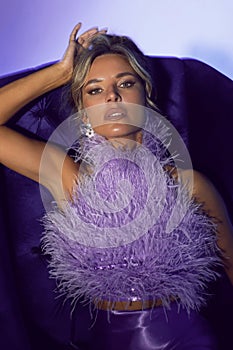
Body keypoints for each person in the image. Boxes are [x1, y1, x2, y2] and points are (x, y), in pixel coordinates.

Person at [0, 22, 233, 350]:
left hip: (186, 339)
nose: (111, 95)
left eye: (126, 83)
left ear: (145, 95)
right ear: (83, 113)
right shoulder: (72, 178)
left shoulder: (188, 182)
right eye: (94, 89)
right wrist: (59, 73)